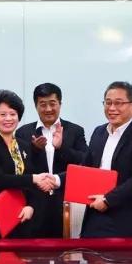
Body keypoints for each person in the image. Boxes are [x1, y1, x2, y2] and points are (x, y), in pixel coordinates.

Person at [0, 89, 56, 238]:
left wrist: (31, 206)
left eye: (13, 114)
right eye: (3, 114)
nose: (8, 118)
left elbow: (32, 184)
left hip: (21, 217)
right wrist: (34, 178)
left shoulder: (24, 145)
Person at [80, 81, 132, 238]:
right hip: (96, 214)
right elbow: (85, 168)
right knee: (90, 252)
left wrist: (107, 200)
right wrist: (56, 179)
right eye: (108, 102)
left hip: (130, 217)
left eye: (118, 103)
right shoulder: (99, 132)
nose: (111, 108)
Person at [17, 83, 88, 237]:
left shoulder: (75, 131)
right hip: (34, 203)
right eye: (43, 104)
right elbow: (20, 168)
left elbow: (85, 162)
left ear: (60, 104)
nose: (48, 109)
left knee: (64, 250)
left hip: (65, 202)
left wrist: (62, 148)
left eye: (52, 103)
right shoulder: (23, 132)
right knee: (34, 250)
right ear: (36, 106)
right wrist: (35, 150)